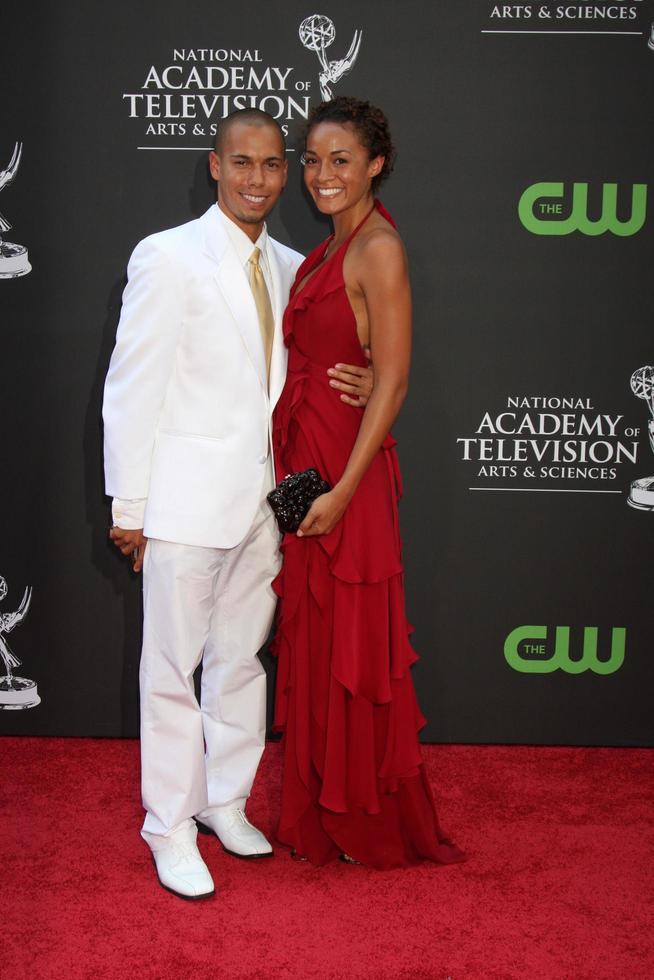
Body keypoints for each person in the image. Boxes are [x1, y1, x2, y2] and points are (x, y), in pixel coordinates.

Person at [103, 109, 373, 900]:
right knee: (170, 670)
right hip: (185, 504)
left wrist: (358, 381)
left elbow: (314, 367)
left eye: (272, 165)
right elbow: (132, 384)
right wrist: (131, 503)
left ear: (286, 174)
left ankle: (225, 802)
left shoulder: (298, 265)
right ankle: (170, 826)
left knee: (240, 664)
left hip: (267, 505)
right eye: (242, 163)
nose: (258, 178)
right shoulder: (167, 256)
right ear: (214, 166)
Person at [271, 96, 465, 869]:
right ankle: (323, 804)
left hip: (346, 481)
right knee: (316, 643)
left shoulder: (377, 247)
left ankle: (360, 817)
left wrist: (343, 493)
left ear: (375, 164)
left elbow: (395, 380)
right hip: (308, 469)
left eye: (340, 160)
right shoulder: (326, 247)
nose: (321, 175)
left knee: (351, 649)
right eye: (312, 160)